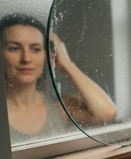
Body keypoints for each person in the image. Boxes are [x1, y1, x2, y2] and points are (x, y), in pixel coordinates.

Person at [1, 13, 117, 143]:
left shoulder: (60, 106)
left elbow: (107, 113)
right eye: (14, 48)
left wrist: (66, 64)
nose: (26, 58)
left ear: (46, 55)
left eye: (36, 49)